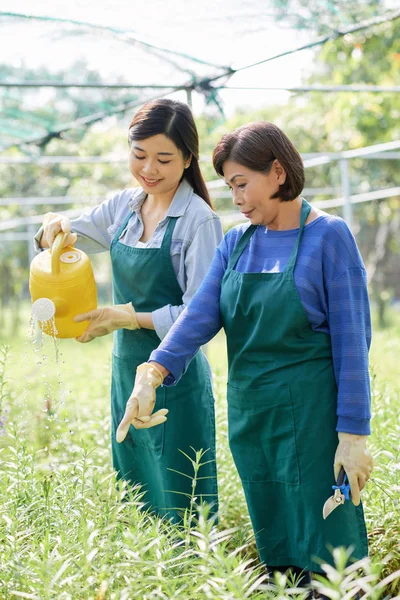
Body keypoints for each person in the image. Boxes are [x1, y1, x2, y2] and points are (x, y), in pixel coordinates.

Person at [116, 122, 374, 593]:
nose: (235, 198)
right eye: (229, 186)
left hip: (314, 423)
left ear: (277, 172)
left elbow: (353, 345)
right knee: (278, 548)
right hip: (253, 421)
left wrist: (353, 435)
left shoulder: (328, 237)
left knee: (332, 553)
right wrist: (152, 371)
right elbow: (197, 317)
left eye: (241, 183)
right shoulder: (237, 243)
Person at [36, 99, 222, 523]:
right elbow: (70, 236)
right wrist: (52, 226)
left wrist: (129, 318)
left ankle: (191, 584)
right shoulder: (124, 206)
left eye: (163, 159)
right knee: (134, 487)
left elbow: (201, 315)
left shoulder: (199, 221)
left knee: (181, 492)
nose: (149, 169)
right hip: (126, 368)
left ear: (189, 158)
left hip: (177, 375)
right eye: (139, 156)